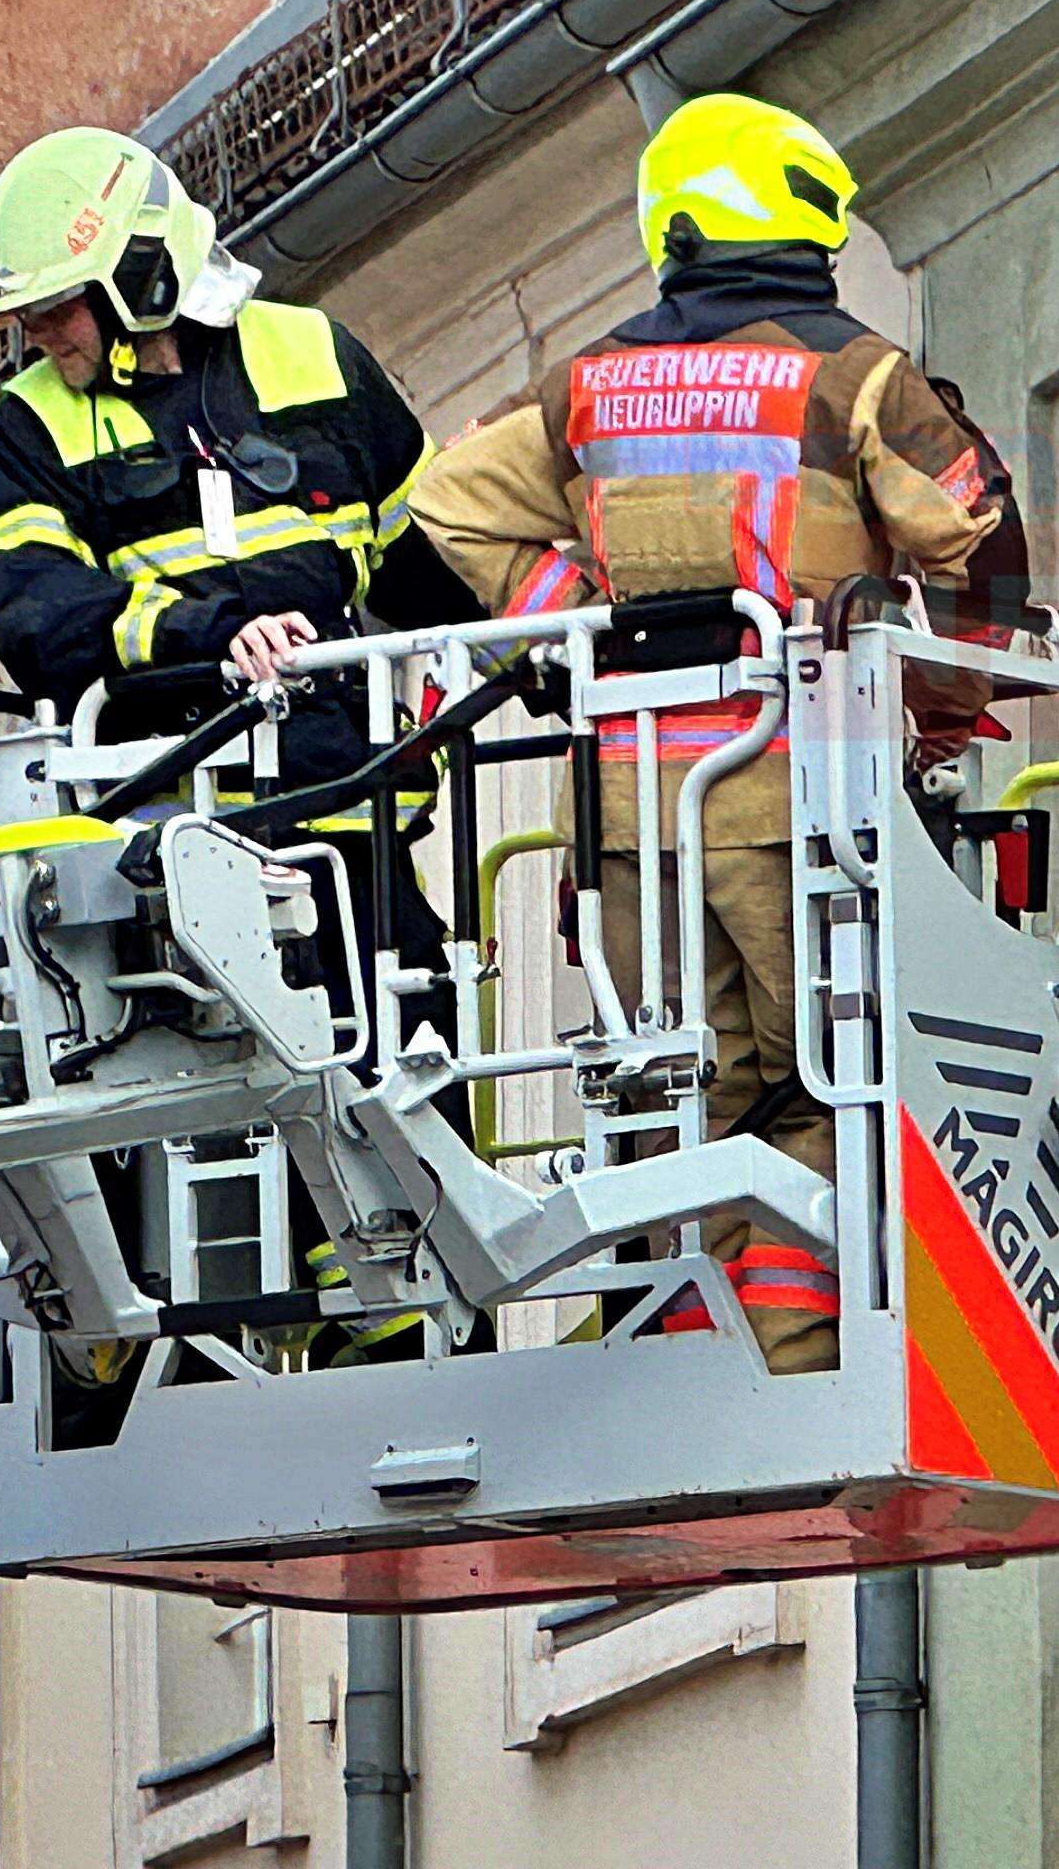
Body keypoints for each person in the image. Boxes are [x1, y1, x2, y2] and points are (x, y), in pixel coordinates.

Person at [409, 91, 1020, 1370]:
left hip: (627, 813)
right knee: (824, 1084)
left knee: (672, 1097)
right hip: (800, 800)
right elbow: (973, 533)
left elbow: (450, 502)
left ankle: (673, 1353)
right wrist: (941, 712)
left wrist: (578, 622)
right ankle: (789, 1353)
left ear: (676, 223)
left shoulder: (585, 388)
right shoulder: (856, 377)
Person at [0, 127, 473, 861]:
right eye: (25, 315)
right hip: (181, 851)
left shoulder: (316, 352)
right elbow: (33, 611)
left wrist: (554, 638)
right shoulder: (30, 423)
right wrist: (207, 633)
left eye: (55, 307)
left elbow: (433, 558)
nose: (34, 333)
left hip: (360, 819)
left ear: (138, 275)